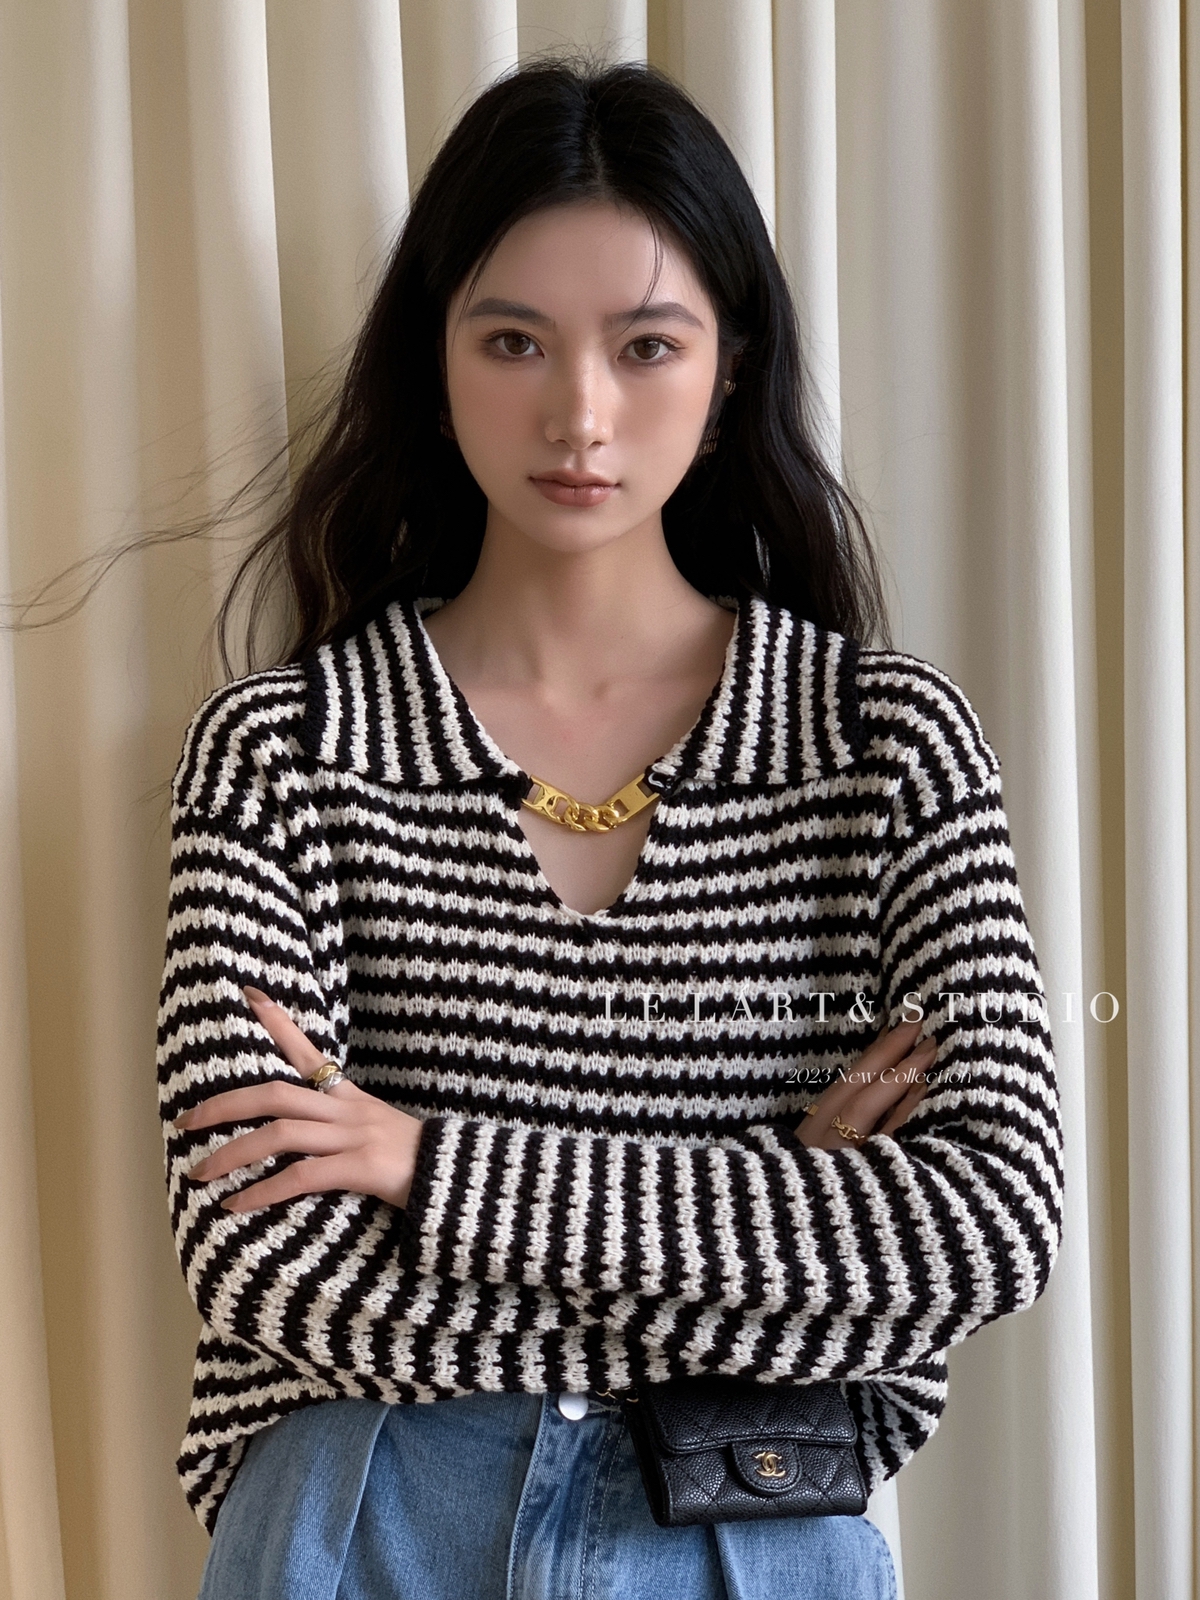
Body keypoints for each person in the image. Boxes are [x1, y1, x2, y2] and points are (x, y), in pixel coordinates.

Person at [159, 59, 1064, 1600]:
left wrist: (428, 1166)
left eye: (647, 345)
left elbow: (988, 1225)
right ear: (435, 360)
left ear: (729, 372)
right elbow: (265, 1269)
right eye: (513, 340)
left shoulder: (883, 745)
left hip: (752, 1526)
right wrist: (780, 1204)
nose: (578, 412)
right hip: (366, 1524)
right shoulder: (284, 751)